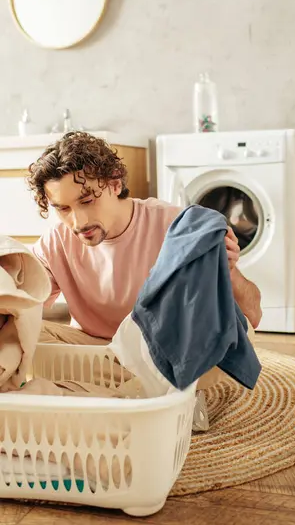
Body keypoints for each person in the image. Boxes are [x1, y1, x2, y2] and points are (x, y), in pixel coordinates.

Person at [27, 132, 262, 385]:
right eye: (63, 208)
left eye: (87, 200)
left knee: (227, 341)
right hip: (94, 350)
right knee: (18, 334)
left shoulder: (177, 226)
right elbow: (21, 302)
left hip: (160, 351)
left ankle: (102, 388)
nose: (78, 221)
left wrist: (226, 271)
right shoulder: (56, 240)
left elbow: (253, 314)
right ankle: (152, 392)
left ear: (115, 184)